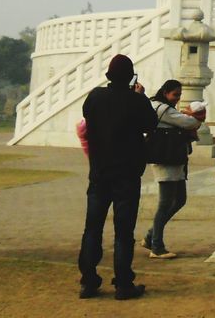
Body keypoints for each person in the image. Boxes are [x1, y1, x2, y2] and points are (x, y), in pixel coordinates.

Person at [77, 53, 158, 301]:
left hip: (99, 173)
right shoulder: (136, 101)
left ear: (109, 76)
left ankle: (88, 281)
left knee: (92, 228)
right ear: (131, 76)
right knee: (124, 231)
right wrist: (140, 95)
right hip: (127, 174)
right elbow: (151, 124)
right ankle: (123, 284)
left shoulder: (95, 97)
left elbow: (89, 117)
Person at [143, 80, 203, 259]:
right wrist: (198, 116)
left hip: (175, 160)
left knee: (180, 200)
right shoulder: (163, 110)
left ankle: (151, 236)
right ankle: (157, 246)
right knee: (165, 203)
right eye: (175, 95)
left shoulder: (162, 108)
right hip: (166, 160)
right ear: (165, 92)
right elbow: (190, 123)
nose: (177, 99)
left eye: (179, 95)